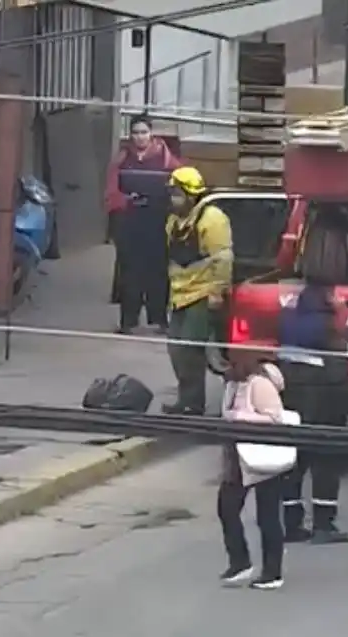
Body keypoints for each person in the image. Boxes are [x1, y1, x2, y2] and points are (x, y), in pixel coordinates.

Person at [277, 281, 348, 543]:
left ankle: (292, 524)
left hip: (292, 397)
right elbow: (336, 371)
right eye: (335, 294)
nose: (340, 298)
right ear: (326, 298)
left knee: (294, 464)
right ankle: (323, 524)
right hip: (323, 401)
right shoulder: (328, 326)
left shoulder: (288, 319)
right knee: (327, 464)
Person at [164, 166, 232, 415]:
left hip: (202, 294)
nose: (173, 199)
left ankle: (193, 405)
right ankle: (186, 400)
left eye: (177, 193)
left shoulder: (212, 219)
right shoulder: (174, 221)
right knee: (175, 348)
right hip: (180, 295)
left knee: (190, 352)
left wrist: (217, 291)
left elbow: (222, 258)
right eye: (172, 193)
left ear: (191, 195)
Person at [217, 349, 288, 590]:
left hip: (263, 455)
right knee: (226, 508)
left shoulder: (260, 384)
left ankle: (272, 572)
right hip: (236, 456)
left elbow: (275, 418)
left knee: (267, 516)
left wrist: (244, 417)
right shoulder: (232, 385)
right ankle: (240, 562)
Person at [104, 114, 180, 333]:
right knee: (129, 271)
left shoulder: (165, 158)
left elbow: (180, 184)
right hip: (130, 220)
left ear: (151, 134)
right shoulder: (122, 158)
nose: (140, 137)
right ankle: (128, 321)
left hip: (158, 220)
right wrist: (124, 203)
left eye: (144, 132)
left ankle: (159, 320)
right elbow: (111, 190)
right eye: (135, 133)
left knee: (158, 270)